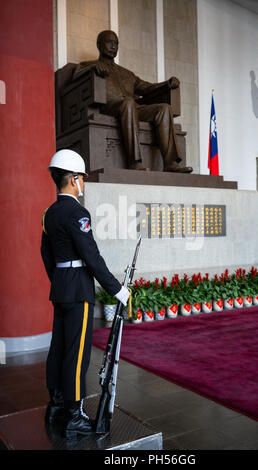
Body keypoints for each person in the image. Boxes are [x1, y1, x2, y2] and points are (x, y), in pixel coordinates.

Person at [41, 149, 129, 438]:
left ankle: (55, 404)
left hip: (61, 288)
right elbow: (91, 256)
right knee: (76, 354)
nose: (84, 183)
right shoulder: (78, 212)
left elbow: (46, 254)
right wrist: (117, 290)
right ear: (74, 179)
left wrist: (59, 280)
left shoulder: (50, 213)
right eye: (83, 178)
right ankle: (75, 415)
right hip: (78, 289)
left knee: (58, 348)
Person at [73, 30, 193, 173]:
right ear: (99, 45)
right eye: (109, 42)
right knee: (129, 103)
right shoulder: (88, 64)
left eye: (116, 43)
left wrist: (167, 84)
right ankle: (134, 161)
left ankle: (170, 163)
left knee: (164, 108)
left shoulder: (127, 74)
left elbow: (147, 87)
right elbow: (75, 76)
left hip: (132, 108)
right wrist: (93, 68)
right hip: (108, 106)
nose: (113, 46)